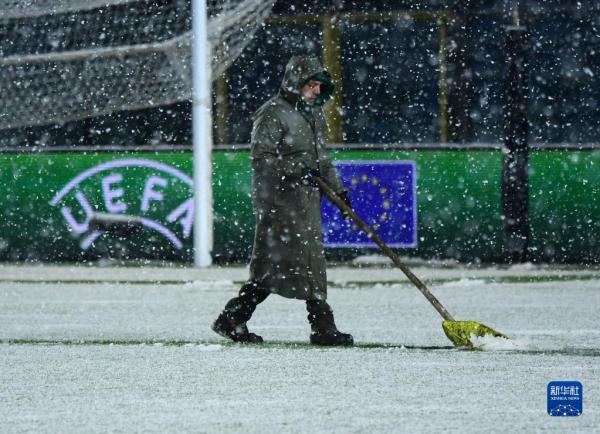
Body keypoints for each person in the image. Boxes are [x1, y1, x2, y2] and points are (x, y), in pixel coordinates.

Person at [211, 54, 353, 346]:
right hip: (279, 203)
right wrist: (296, 171)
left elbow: (320, 159)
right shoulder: (273, 112)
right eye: (310, 85)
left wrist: (339, 190)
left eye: (318, 86)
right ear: (294, 83)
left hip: (305, 203)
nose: (315, 91)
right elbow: (261, 159)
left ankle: (234, 316)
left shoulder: (313, 115)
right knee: (289, 264)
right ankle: (322, 327)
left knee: (280, 266)